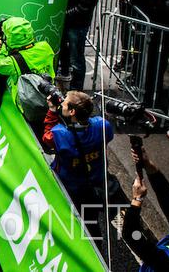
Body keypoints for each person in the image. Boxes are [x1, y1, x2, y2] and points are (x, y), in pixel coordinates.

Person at [42, 91, 115, 236]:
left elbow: (47, 137)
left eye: (64, 102)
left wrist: (51, 110)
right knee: (91, 223)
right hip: (94, 183)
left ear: (72, 111)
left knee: (64, 220)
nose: (61, 102)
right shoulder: (103, 126)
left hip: (69, 187)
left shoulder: (60, 134)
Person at [122, 143, 169, 270]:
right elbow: (168, 200)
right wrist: (148, 165)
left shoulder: (164, 264)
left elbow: (132, 235)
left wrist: (137, 199)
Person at [59, 0, 98, 91]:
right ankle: (63, 72)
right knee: (63, 47)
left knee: (77, 58)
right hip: (68, 19)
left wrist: (62, 15)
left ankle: (76, 89)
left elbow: (82, 9)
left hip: (78, 25)